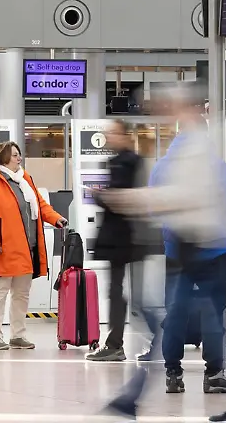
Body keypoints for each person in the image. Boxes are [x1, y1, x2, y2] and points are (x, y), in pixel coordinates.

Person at [100, 84, 226, 421]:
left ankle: (170, 377)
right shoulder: (212, 158)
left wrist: (133, 201)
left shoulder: (174, 160)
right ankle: (217, 377)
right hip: (208, 249)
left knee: (173, 318)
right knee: (212, 318)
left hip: (183, 248)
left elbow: (168, 203)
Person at [0, 140, 67, 351]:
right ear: (3, 157)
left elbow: (41, 205)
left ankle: (18, 335)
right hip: (2, 249)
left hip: (27, 248)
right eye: (15, 155)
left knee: (22, 294)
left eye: (19, 154)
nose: (19, 158)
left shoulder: (25, 179)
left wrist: (56, 218)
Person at [89, 121, 156, 362]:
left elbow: (121, 198)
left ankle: (120, 343)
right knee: (122, 292)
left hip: (125, 237)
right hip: (127, 237)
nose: (108, 138)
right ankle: (119, 342)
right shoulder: (125, 160)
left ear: (123, 135)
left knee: (125, 294)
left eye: (112, 133)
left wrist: (99, 195)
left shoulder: (126, 162)